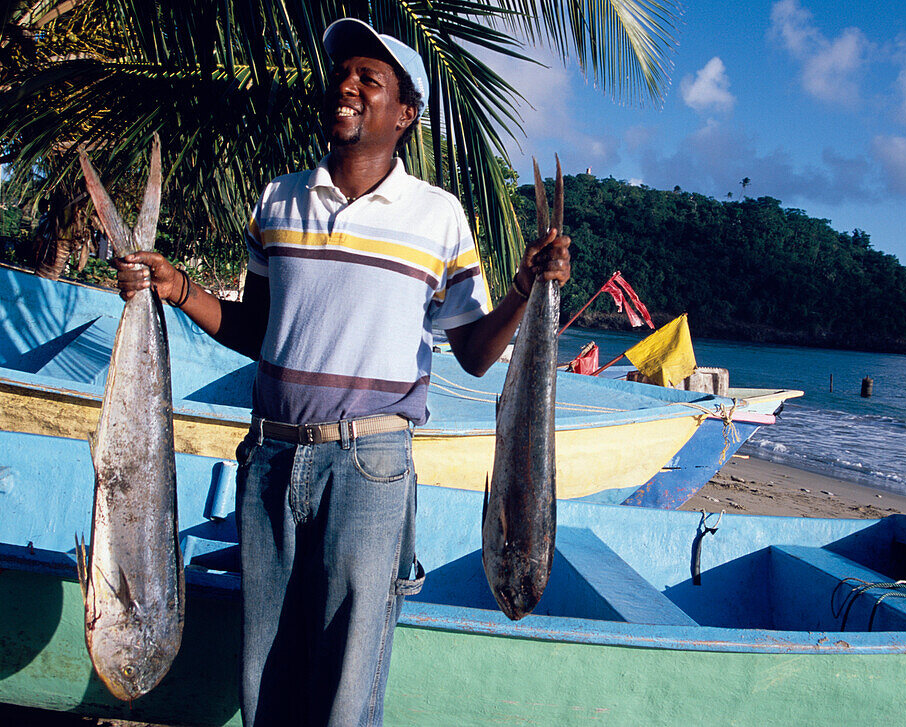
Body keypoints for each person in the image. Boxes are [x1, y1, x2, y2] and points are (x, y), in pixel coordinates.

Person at [112, 18, 570, 727]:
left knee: (348, 685)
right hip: (270, 454)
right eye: (343, 73)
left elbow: (477, 355)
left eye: (369, 78)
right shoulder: (278, 199)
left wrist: (523, 289)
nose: (347, 86)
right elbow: (258, 330)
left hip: (372, 465)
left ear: (406, 113)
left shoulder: (439, 217)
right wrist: (177, 290)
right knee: (265, 673)